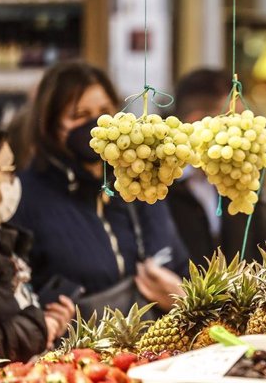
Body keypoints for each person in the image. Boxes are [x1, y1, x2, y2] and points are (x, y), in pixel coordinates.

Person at [11, 61, 189, 317]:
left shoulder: (139, 184)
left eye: (105, 111)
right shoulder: (24, 197)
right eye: (79, 115)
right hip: (76, 354)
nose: (96, 124)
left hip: (158, 351)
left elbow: (179, 264)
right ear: (51, 125)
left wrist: (178, 295)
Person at [0, 125, 74, 361]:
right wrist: (38, 328)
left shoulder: (2, 239)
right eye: (8, 171)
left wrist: (47, 319)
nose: (14, 181)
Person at [168, 68, 265, 265]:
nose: (245, 135)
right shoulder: (155, 185)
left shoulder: (243, 179)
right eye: (235, 122)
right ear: (197, 122)